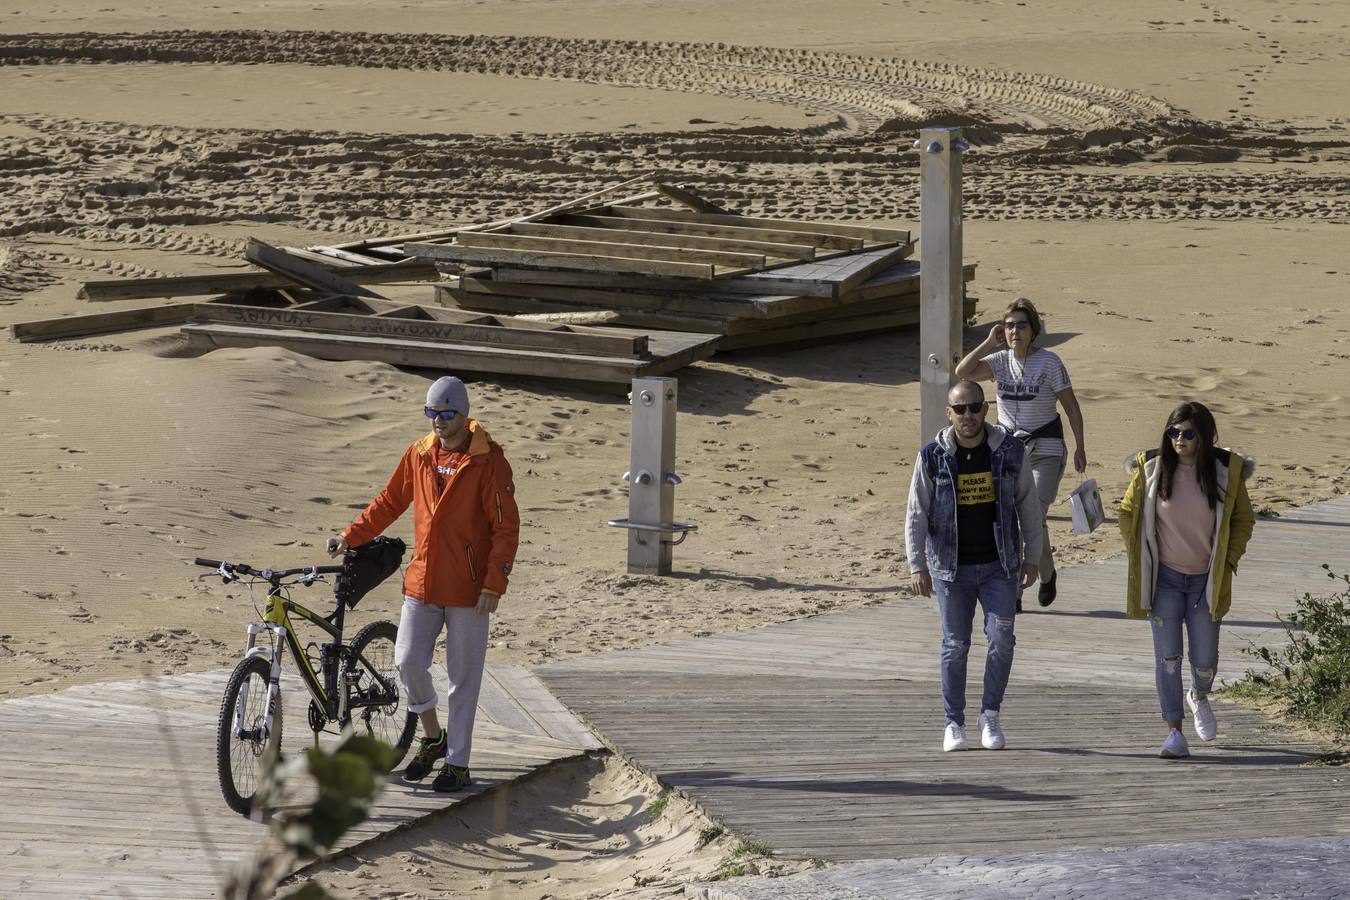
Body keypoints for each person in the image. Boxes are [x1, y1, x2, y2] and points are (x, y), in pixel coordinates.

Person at [328, 375, 519, 791]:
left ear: (462, 416)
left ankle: (458, 763)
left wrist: (494, 583)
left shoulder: (489, 462)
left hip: (470, 591)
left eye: (446, 413)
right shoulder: (419, 453)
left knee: (462, 679)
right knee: (408, 662)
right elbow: (390, 500)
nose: (438, 421)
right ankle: (433, 737)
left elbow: (506, 528)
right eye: (431, 412)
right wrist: (350, 536)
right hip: (422, 581)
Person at [905, 380, 1044, 752]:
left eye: (974, 407)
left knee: (1001, 638)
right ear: (949, 413)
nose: (968, 416)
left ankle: (990, 714)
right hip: (951, 569)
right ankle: (954, 722)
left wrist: (1034, 556)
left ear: (985, 410)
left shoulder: (1010, 451)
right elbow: (916, 512)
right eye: (960, 409)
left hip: (1000, 564)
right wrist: (916, 564)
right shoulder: (932, 456)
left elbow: (1028, 506)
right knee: (956, 644)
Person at [1118, 401, 1254, 759]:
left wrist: (1228, 559)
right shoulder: (1151, 469)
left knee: (1205, 658)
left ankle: (1199, 694)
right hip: (1164, 580)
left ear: (1204, 437)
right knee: (1168, 658)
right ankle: (1174, 733)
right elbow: (1128, 512)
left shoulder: (1225, 473)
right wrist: (1140, 554)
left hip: (1205, 581)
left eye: (1188, 433)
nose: (1179, 439)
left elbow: (1243, 520)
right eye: (1173, 432)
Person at [955, 298, 1087, 609]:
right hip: (1009, 452)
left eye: (1021, 325)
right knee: (1013, 518)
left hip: (1046, 450)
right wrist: (989, 340)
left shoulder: (1050, 362)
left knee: (1031, 515)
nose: (1015, 330)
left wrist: (1081, 445)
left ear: (1033, 330)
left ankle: (1014, 590)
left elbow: (1070, 406)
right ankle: (1046, 571)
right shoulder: (999, 361)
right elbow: (963, 370)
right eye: (1010, 325)